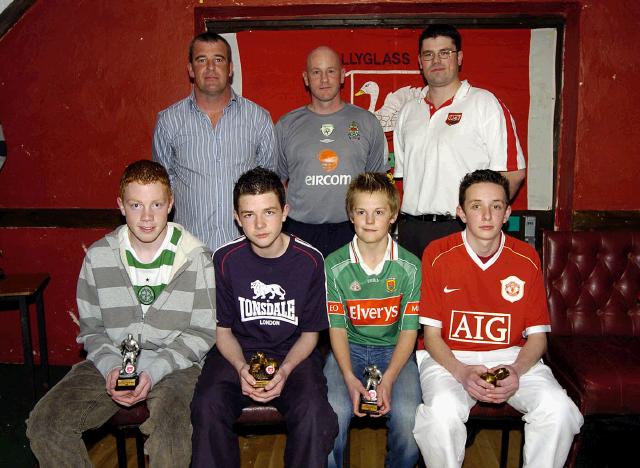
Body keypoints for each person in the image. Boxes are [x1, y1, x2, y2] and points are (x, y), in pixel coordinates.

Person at [26, 160, 216, 467]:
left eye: (156, 204)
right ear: (120, 205)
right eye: (136, 204)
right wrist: (113, 367)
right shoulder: (99, 257)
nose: (147, 216)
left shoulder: (196, 258)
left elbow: (202, 332)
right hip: (110, 359)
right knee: (46, 424)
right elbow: (92, 328)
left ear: (171, 204)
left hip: (175, 365)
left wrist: (153, 372)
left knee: (172, 431)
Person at [413, 169, 583, 468]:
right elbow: (431, 337)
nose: (487, 215)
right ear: (461, 213)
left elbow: (538, 337)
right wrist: (461, 372)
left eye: (496, 205)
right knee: (441, 413)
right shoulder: (437, 254)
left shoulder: (526, 256)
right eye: (476, 205)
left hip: (512, 354)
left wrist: (516, 370)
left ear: (507, 213)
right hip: (449, 355)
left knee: (560, 410)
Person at [190, 167, 338, 468]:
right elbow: (223, 332)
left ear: (285, 212)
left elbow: (310, 335)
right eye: (248, 215)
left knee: (313, 412)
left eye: (268, 212)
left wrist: (284, 371)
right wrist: (241, 367)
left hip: (292, 353)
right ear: (236, 217)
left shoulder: (310, 260)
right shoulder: (224, 259)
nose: (259, 224)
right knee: (206, 406)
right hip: (237, 351)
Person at [393, 24, 527, 258]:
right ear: (419, 61)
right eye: (429, 54)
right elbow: (405, 179)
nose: (436, 60)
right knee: (416, 296)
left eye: (445, 52)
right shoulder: (407, 112)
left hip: (461, 228)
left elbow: (513, 173)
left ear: (460, 57)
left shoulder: (484, 104)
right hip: (410, 231)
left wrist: (481, 221)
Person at [324, 173, 422, 468]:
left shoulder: (410, 266)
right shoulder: (334, 264)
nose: (369, 220)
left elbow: (409, 331)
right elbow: (337, 328)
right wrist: (348, 377)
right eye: (361, 212)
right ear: (350, 215)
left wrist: (389, 379)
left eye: (378, 212)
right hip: (349, 349)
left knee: (408, 418)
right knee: (331, 414)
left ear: (393, 215)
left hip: (395, 352)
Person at [153, 32, 276, 251]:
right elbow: (162, 189)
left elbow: (268, 186)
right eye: (202, 60)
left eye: (218, 59)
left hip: (246, 250)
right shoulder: (168, 122)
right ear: (191, 69)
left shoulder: (259, 119)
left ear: (230, 68)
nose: (210, 67)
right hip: (188, 251)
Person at [276, 46, 388, 256]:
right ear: (306, 78)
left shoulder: (367, 122)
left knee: (352, 290)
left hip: (353, 229)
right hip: (299, 230)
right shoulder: (286, 125)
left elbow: (377, 184)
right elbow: (277, 184)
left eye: (331, 71)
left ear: (342, 75)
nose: (324, 79)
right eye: (316, 72)